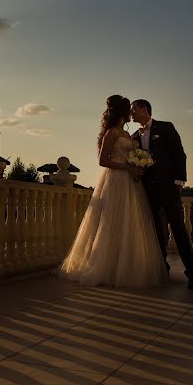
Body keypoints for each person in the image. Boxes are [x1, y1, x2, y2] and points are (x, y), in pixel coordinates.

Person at [59, 95, 168, 288]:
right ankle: (106, 268)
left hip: (132, 182)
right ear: (123, 112)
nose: (132, 114)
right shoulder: (111, 133)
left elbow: (131, 156)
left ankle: (125, 266)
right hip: (116, 180)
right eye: (130, 110)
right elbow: (102, 161)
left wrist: (138, 165)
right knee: (111, 222)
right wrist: (128, 168)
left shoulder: (128, 135)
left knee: (130, 221)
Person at [130, 99, 193, 289]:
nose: (132, 113)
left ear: (144, 108)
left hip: (169, 188)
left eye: (134, 109)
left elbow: (179, 154)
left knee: (178, 229)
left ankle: (192, 272)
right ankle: (163, 269)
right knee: (157, 232)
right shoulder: (134, 136)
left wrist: (179, 181)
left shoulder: (166, 127)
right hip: (148, 191)